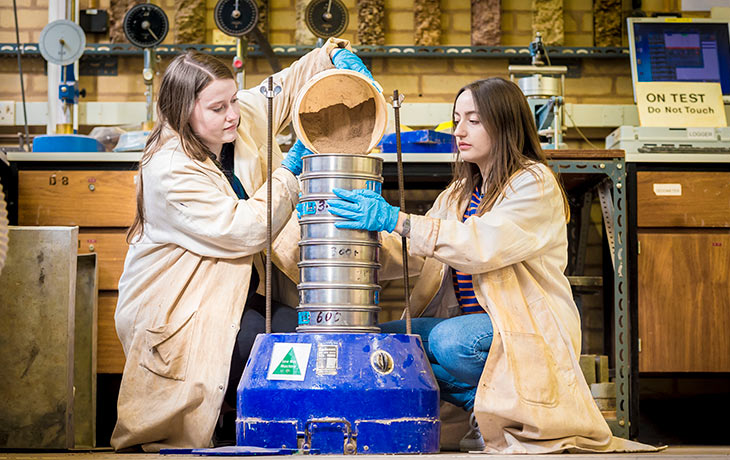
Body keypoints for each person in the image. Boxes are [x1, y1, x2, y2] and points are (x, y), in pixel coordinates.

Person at [328, 77, 654, 453]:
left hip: (518, 331)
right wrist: (345, 245)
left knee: (449, 342)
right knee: (381, 342)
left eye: (474, 120)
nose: (459, 131)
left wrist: (396, 219)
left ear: (506, 125)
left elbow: (481, 245)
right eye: (456, 119)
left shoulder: (533, 183)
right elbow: (411, 253)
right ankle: (482, 411)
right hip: (473, 331)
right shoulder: (459, 193)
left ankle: (499, 414)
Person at [111, 39, 375, 451]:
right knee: (283, 347)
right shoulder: (169, 169)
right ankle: (248, 422)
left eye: (233, 100)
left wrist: (332, 58)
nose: (233, 114)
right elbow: (244, 230)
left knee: (307, 336)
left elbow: (283, 89)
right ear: (184, 112)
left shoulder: (230, 120)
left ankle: (275, 425)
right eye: (218, 108)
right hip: (183, 309)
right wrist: (292, 167)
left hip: (233, 296)